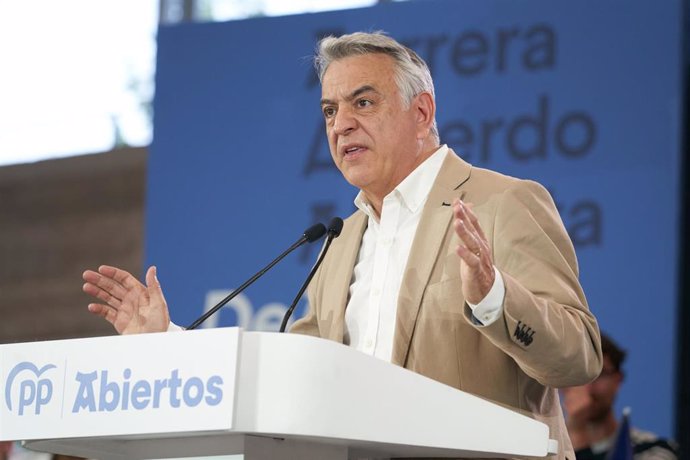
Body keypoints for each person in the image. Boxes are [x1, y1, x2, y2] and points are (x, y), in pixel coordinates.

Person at [83, 32, 602, 459]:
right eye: (330, 110)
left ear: (421, 114)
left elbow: (578, 357)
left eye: (364, 102)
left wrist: (493, 297)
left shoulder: (502, 202)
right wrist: (170, 342)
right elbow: (293, 367)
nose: (341, 124)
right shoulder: (344, 239)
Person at [562, 333, 679, 460]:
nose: (587, 387)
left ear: (618, 380)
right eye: (579, 375)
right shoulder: (546, 450)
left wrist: (578, 436)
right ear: (561, 385)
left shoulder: (653, 449)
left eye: (599, 374)